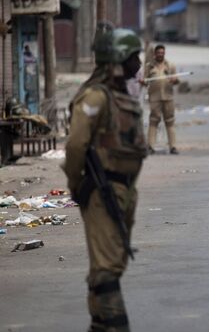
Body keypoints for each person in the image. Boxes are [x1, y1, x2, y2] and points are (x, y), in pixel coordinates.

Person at [63, 22, 148, 331]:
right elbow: (75, 145)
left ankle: (100, 325)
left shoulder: (121, 96)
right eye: (132, 57)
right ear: (116, 58)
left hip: (125, 191)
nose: (138, 64)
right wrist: (77, 185)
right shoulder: (95, 97)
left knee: (114, 263)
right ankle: (116, 324)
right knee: (106, 268)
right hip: (102, 190)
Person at [143, 44, 179, 155]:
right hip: (155, 98)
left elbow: (177, 80)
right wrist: (142, 81)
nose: (160, 55)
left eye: (162, 53)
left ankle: (173, 146)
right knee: (153, 121)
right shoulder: (149, 66)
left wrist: (174, 80)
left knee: (170, 121)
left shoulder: (170, 65)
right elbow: (145, 81)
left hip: (168, 97)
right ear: (155, 54)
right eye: (158, 53)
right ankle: (150, 146)